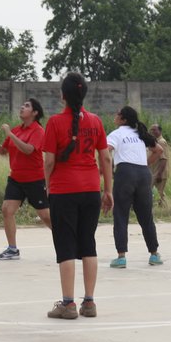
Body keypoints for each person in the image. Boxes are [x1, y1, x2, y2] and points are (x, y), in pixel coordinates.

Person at [42, 73, 113, 319]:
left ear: (63, 95)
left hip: (64, 191)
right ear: (83, 94)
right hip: (91, 190)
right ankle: (90, 302)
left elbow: (49, 160)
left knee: (66, 247)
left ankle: (68, 304)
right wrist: (108, 190)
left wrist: (47, 185)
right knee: (88, 244)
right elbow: (105, 157)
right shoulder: (95, 121)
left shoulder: (54, 123)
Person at [0, 98, 51, 260]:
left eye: (27, 106)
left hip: (35, 179)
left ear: (35, 113)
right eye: (22, 105)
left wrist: (10, 134)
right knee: (6, 210)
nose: (22, 107)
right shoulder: (16, 130)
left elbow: (29, 150)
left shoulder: (38, 130)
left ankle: (67, 240)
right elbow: (3, 151)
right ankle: (12, 249)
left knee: (45, 216)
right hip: (16, 178)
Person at [107, 106, 164, 269]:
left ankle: (121, 256)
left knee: (120, 214)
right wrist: (144, 163)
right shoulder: (140, 134)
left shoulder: (116, 134)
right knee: (146, 216)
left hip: (125, 173)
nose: (115, 116)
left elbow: (107, 151)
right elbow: (158, 150)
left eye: (117, 114)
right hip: (143, 174)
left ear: (123, 119)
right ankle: (154, 254)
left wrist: (107, 168)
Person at [149, 123, 170, 207]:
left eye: (155, 130)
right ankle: (162, 207)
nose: (152, 131)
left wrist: (159, 174)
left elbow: (164, 159)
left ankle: (163, 208)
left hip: (159, 172)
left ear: (160, 131)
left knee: (159, 193)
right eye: (151, 130)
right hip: (154, 171)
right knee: (159, 192)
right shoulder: (155, 142)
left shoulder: (161, 142)